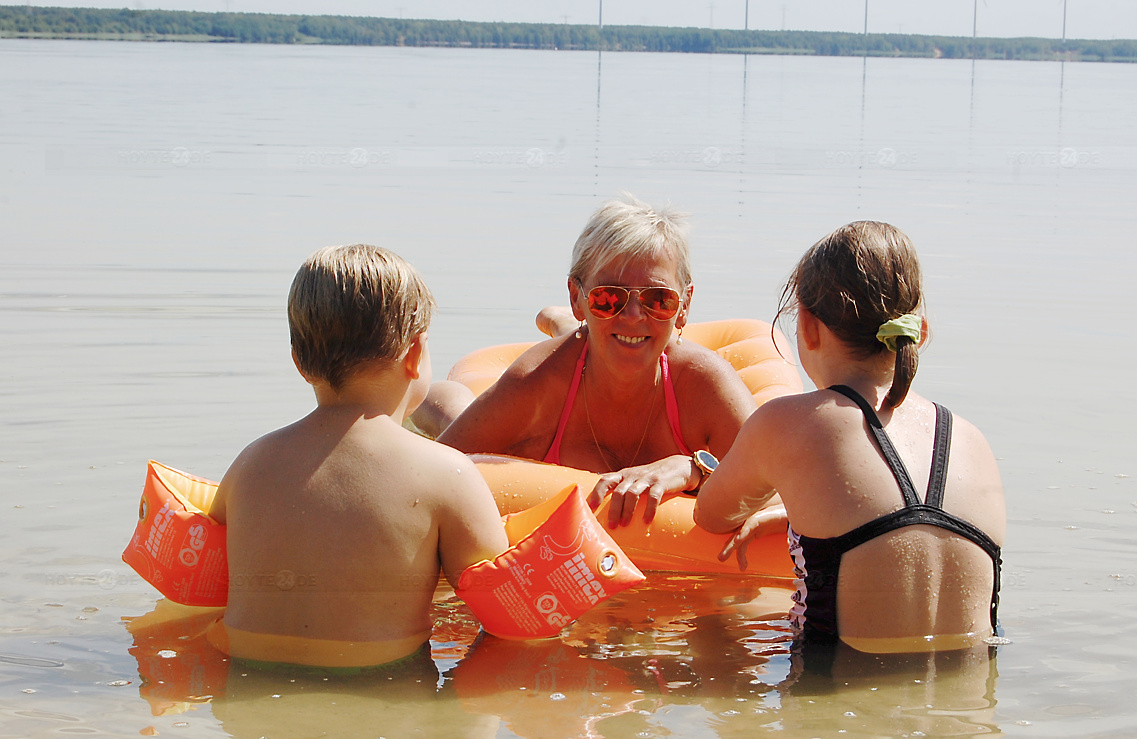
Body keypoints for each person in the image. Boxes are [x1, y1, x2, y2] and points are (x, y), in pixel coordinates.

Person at [694, 221, 1005, 653]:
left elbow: (712, 516)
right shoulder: (972, 441)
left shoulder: (785, 423)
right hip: (966, 711)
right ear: (921, 331)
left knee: (706, 643)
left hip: (831, 696)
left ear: (808, 328)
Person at [208, 244, 508, 669]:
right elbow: (506, 607)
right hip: (385, 698)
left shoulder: (250, 464)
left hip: (245, 696)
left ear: (299, 362)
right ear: (415, 354)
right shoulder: (446, 473)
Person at [438, 194, 758, 528]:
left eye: (658, 299)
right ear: (577, 297)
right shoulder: (536, 381)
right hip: (573, 357)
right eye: (608, 298)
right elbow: (432, 472)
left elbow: (784, 489)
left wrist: (695, 469)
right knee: (448, 411)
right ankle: (443, 398)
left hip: (596, 340)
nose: (634, 315)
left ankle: (571, 321)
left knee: (610, 336)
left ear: (685, 305)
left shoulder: (703, 380)